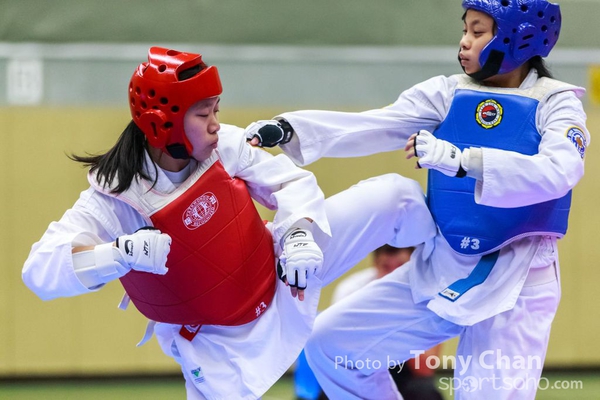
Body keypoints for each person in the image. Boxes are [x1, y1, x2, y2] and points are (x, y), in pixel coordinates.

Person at [21, 46, 436, 400]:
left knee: (395, 196)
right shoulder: (115, 198)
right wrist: (117, 254)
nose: (216, 124)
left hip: (283, 270)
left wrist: (297, 234)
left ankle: (455, 266)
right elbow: (39, 272)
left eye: (216, 110)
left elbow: (289, 182)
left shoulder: (226, 145)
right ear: (162, 122)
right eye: (204, 114)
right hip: (218, 344)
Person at [245, 0, 590, 398]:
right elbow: (376, 124)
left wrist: (462, 160)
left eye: (478, 32)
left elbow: (560, 171)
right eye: (465, 30)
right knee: (332, 346)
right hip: (444, 262)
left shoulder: (557, 102)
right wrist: (291, 129)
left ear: (519, 38)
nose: (464, 42)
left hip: (519, 276)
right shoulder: (448, 92)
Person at [294, 245, 444, 400]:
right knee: (330, 392)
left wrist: (393, 315)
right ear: (375, 264)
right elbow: (340, 351)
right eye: (386, 267)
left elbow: (424, 368)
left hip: (405, 370)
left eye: (400, 267)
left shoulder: (428, 294)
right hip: (360, 364)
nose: (393, 275)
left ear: (412, 267)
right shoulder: (352, 289)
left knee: (425, 392)